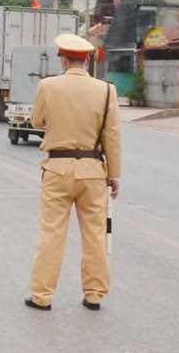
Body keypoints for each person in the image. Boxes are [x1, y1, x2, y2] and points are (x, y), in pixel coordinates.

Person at [25, 33, 122, 313]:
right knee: (95, 233)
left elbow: (37, 120)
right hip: (93, 171)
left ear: (63, 58)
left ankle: (42, 296)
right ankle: (94, 294)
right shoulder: (106, 90)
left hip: (57, 169)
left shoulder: (48, 86)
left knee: (52, 233)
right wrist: (113, 174)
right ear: (88, 59)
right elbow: (112, 135)